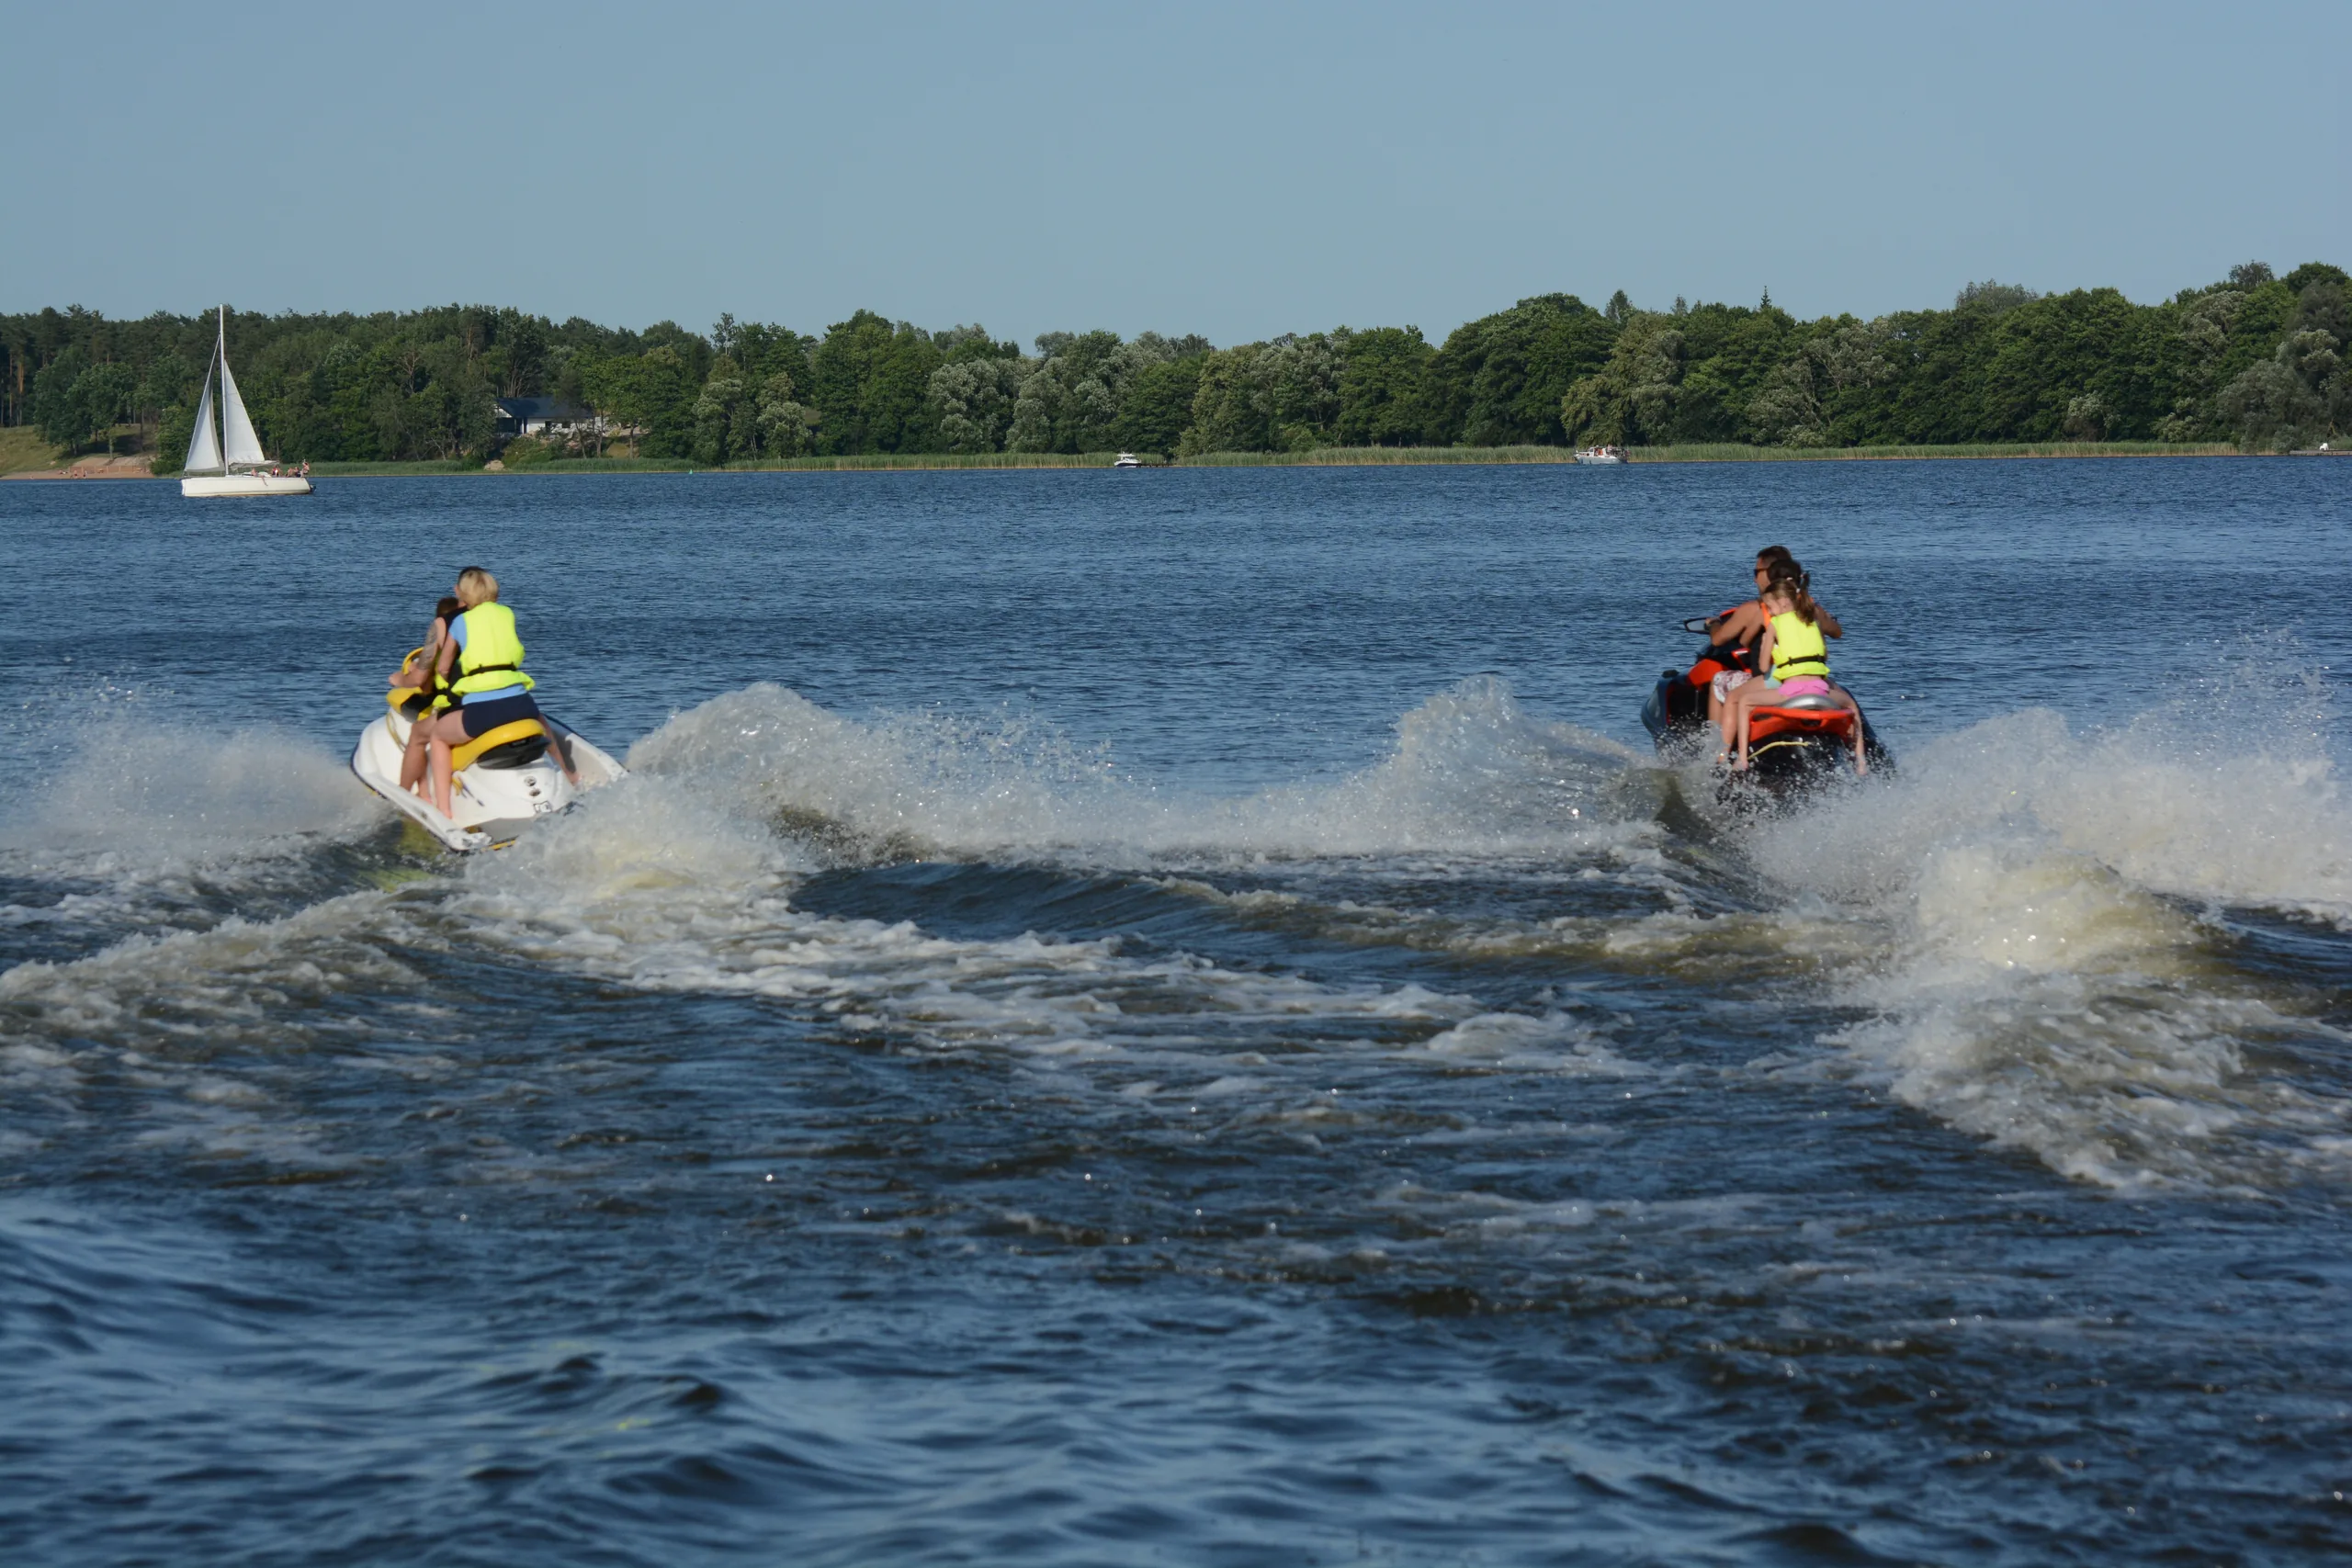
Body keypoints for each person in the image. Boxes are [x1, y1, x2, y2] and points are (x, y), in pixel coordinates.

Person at [419, 567, 579, 818]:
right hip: (520, 703)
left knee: (438, 737)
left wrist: (445, 681)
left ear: (465, 593)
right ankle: (569, 775)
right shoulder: (507, 613)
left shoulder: (461, 621)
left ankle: (444, 809)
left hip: (483, 711)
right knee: (541, 720)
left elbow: (444, 665)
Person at [1722, 570, 1866, 775]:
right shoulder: (1813, 621)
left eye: (1770, 607)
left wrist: (1773, 654)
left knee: (1744, 701)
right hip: (1819, 689)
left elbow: (1763, 668)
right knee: (1851, 705)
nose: (1769, 612)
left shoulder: (1775, 625)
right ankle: (1860, 762)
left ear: (1783, 603)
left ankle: (1741, 759)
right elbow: (1824, 655)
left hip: (1791, 690)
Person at [1702, 546, 1844, 723]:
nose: (1755, 579)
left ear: (1769, 573)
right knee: (1844, 695)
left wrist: (1714, 624)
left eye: (1757, 572)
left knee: (1718, 681)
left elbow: (1722, 640)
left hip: (1771, 680)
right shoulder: (1812, 609)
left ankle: (1717, 742)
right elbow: (1837, 632)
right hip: (1811, 680)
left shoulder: (1757, 609)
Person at [390, 595, 463, 795]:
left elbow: (424, 685)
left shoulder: (437, 651)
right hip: (470, 701)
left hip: (445, 705)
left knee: (418, 735)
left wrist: (400, 679)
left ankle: (417, 792)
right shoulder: (469, 646)